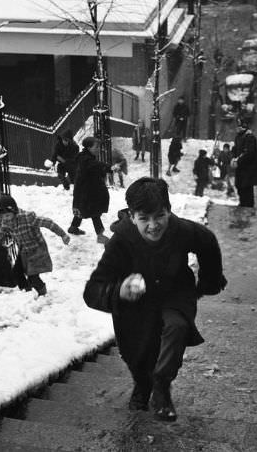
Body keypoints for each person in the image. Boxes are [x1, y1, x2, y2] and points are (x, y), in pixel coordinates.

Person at [83, 177, 226, 421]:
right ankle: (142, 385)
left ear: (168, 211)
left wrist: (209, 281)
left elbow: (207, 242)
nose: (153, 225)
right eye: (144, 219)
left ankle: (161, 386)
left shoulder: (180, 230)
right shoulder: (120, 241)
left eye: (159, 216)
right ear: (131, 216)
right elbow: (92, 291)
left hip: (175, 293)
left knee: (177, 326)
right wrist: (119, 291)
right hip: (136, 306)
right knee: (138, 353)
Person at [0, 194, 70, 296]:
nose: (5, 218)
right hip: (24, 250)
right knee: (17, 272)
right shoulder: (6, 223)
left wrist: (63, 235)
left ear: (14, 211)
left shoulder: (28, 217)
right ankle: (27, 291)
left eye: (7, 215)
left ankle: (43, 294)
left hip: (37, 249)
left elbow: (48, 223)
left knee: (33, 277)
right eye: (3, 216)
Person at [68, 136, 112, 244]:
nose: (98, 149)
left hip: (83, 191)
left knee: (82, 210)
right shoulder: (85, 160)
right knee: (94, 212)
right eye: (96, 147)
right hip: (85, 193)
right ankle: (100, 235)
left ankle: (73, 228)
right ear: (88, 147)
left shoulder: (85, 157)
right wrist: (108, 168)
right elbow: (94, 166)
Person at [231, 118, 257, 208]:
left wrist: (238, 160)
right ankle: (242, 202)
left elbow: (249, 153)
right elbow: (235, 149)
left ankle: (248, 205)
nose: (238, 128)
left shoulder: (250, 137)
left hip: (248, 169)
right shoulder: (238, 137)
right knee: (240, 187)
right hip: (240, 168)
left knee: (247, 188)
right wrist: (233, 157)